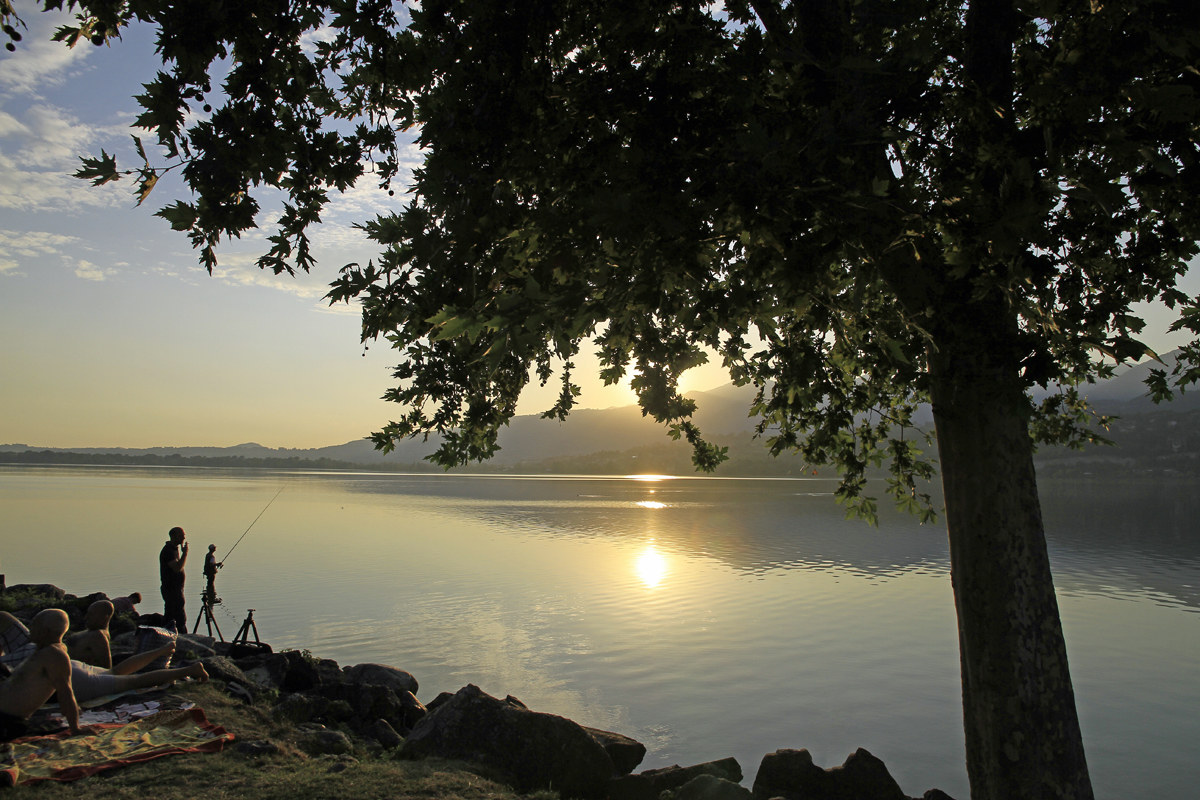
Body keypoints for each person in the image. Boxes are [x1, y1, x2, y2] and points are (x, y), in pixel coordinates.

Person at [0, 609, 208, 741]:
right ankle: (164, 654)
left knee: (133, 680)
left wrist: (75, 728)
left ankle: (190, 670)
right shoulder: (46, 649)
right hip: (81, 670)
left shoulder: (54, 655)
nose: (30, 629)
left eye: (34, 625)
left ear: (46, 631)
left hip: (81, 680)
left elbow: (66, 694)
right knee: (117, 673)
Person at [66, 600, 114, 669]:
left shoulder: (98, 636)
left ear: (105, 617)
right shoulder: (91, 632)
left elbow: (107, 669)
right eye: (87, 614)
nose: (86, 618)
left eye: (91, 614)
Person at [159, 526, 188, 632]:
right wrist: (185, 554)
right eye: (181, 536)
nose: (183, 538)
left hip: (176, 589)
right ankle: (180, 637)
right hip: (171, 589)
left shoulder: (174, 550)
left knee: (175, 614)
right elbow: (177, 568)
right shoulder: (168, 551)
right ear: (174, 536)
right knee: (174, 616)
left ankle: (176, 635)